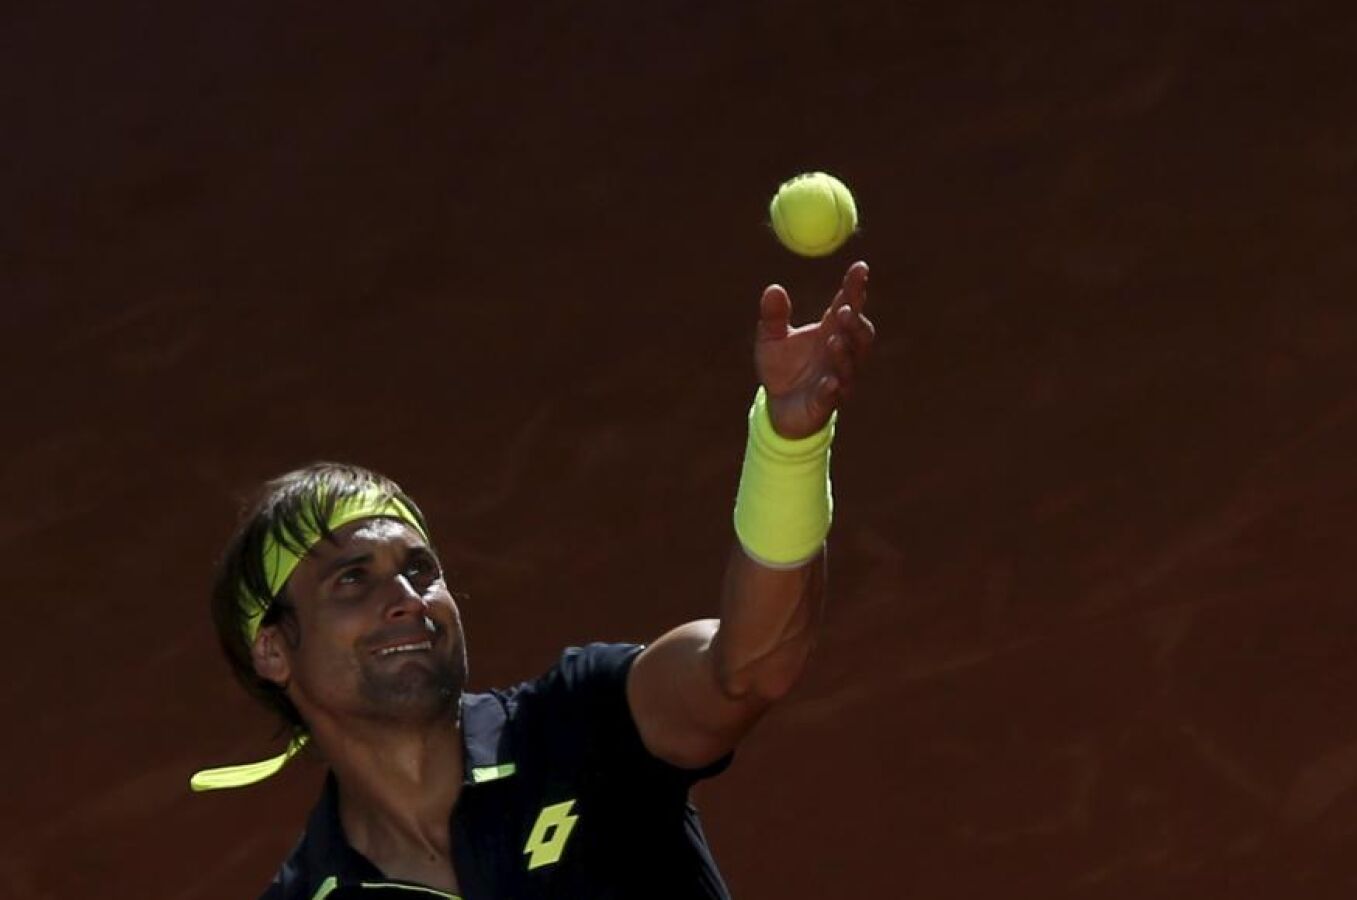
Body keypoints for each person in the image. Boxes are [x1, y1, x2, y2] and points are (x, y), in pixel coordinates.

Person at [192, 262, 877, 899]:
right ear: (273, 649)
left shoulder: (584, 723)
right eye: (351, 580)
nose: (405, 598)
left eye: (420, 569)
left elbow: (747, 669)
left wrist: (789, 448)